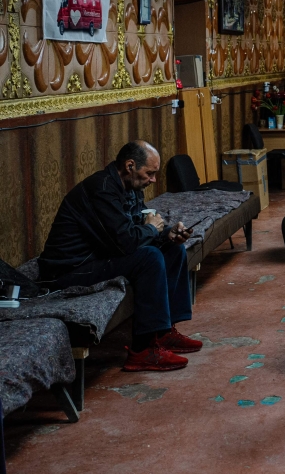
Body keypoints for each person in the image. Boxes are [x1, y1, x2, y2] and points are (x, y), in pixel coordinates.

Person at [38, 141, 200, 372]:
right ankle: (143, 350)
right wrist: (153, 230)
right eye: (150, 173)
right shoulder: (102, 189)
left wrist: (167, 234)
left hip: (99, 255)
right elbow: (125, 243)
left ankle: (163, 334)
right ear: (130, 165)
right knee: (149, 257)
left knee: (173, 248)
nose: (153, 180)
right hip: (69, 269)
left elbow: (133, 231)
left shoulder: (129, 187)